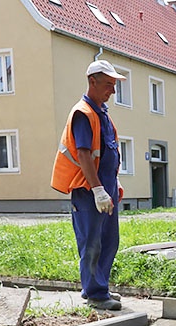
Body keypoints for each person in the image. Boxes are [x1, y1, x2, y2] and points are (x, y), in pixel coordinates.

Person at [51, 60, 126, 311]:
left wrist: (113, 183)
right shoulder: (83, 113)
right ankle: (95, 294)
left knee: (109, 240)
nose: (112, 91)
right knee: (92, 241)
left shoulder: (101, 114)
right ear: (92, 82)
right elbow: (84, 155)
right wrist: (97, 190)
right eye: (108, 85)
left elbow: (105, 152)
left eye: (114, 86)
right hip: (88, 190)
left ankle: (98, 286)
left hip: (105, 189)